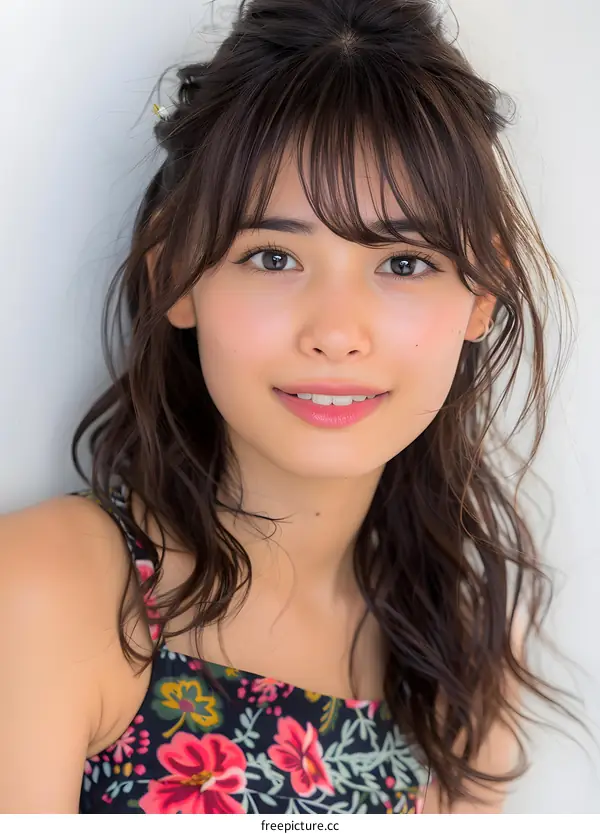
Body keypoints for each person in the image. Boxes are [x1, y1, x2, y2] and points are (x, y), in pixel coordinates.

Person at [0, 0, 578, 815]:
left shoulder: (468, 648)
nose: (337, 334)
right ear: (177, 275)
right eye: (273, 256)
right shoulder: (44, 592)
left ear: (480, 295)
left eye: (404, 263)